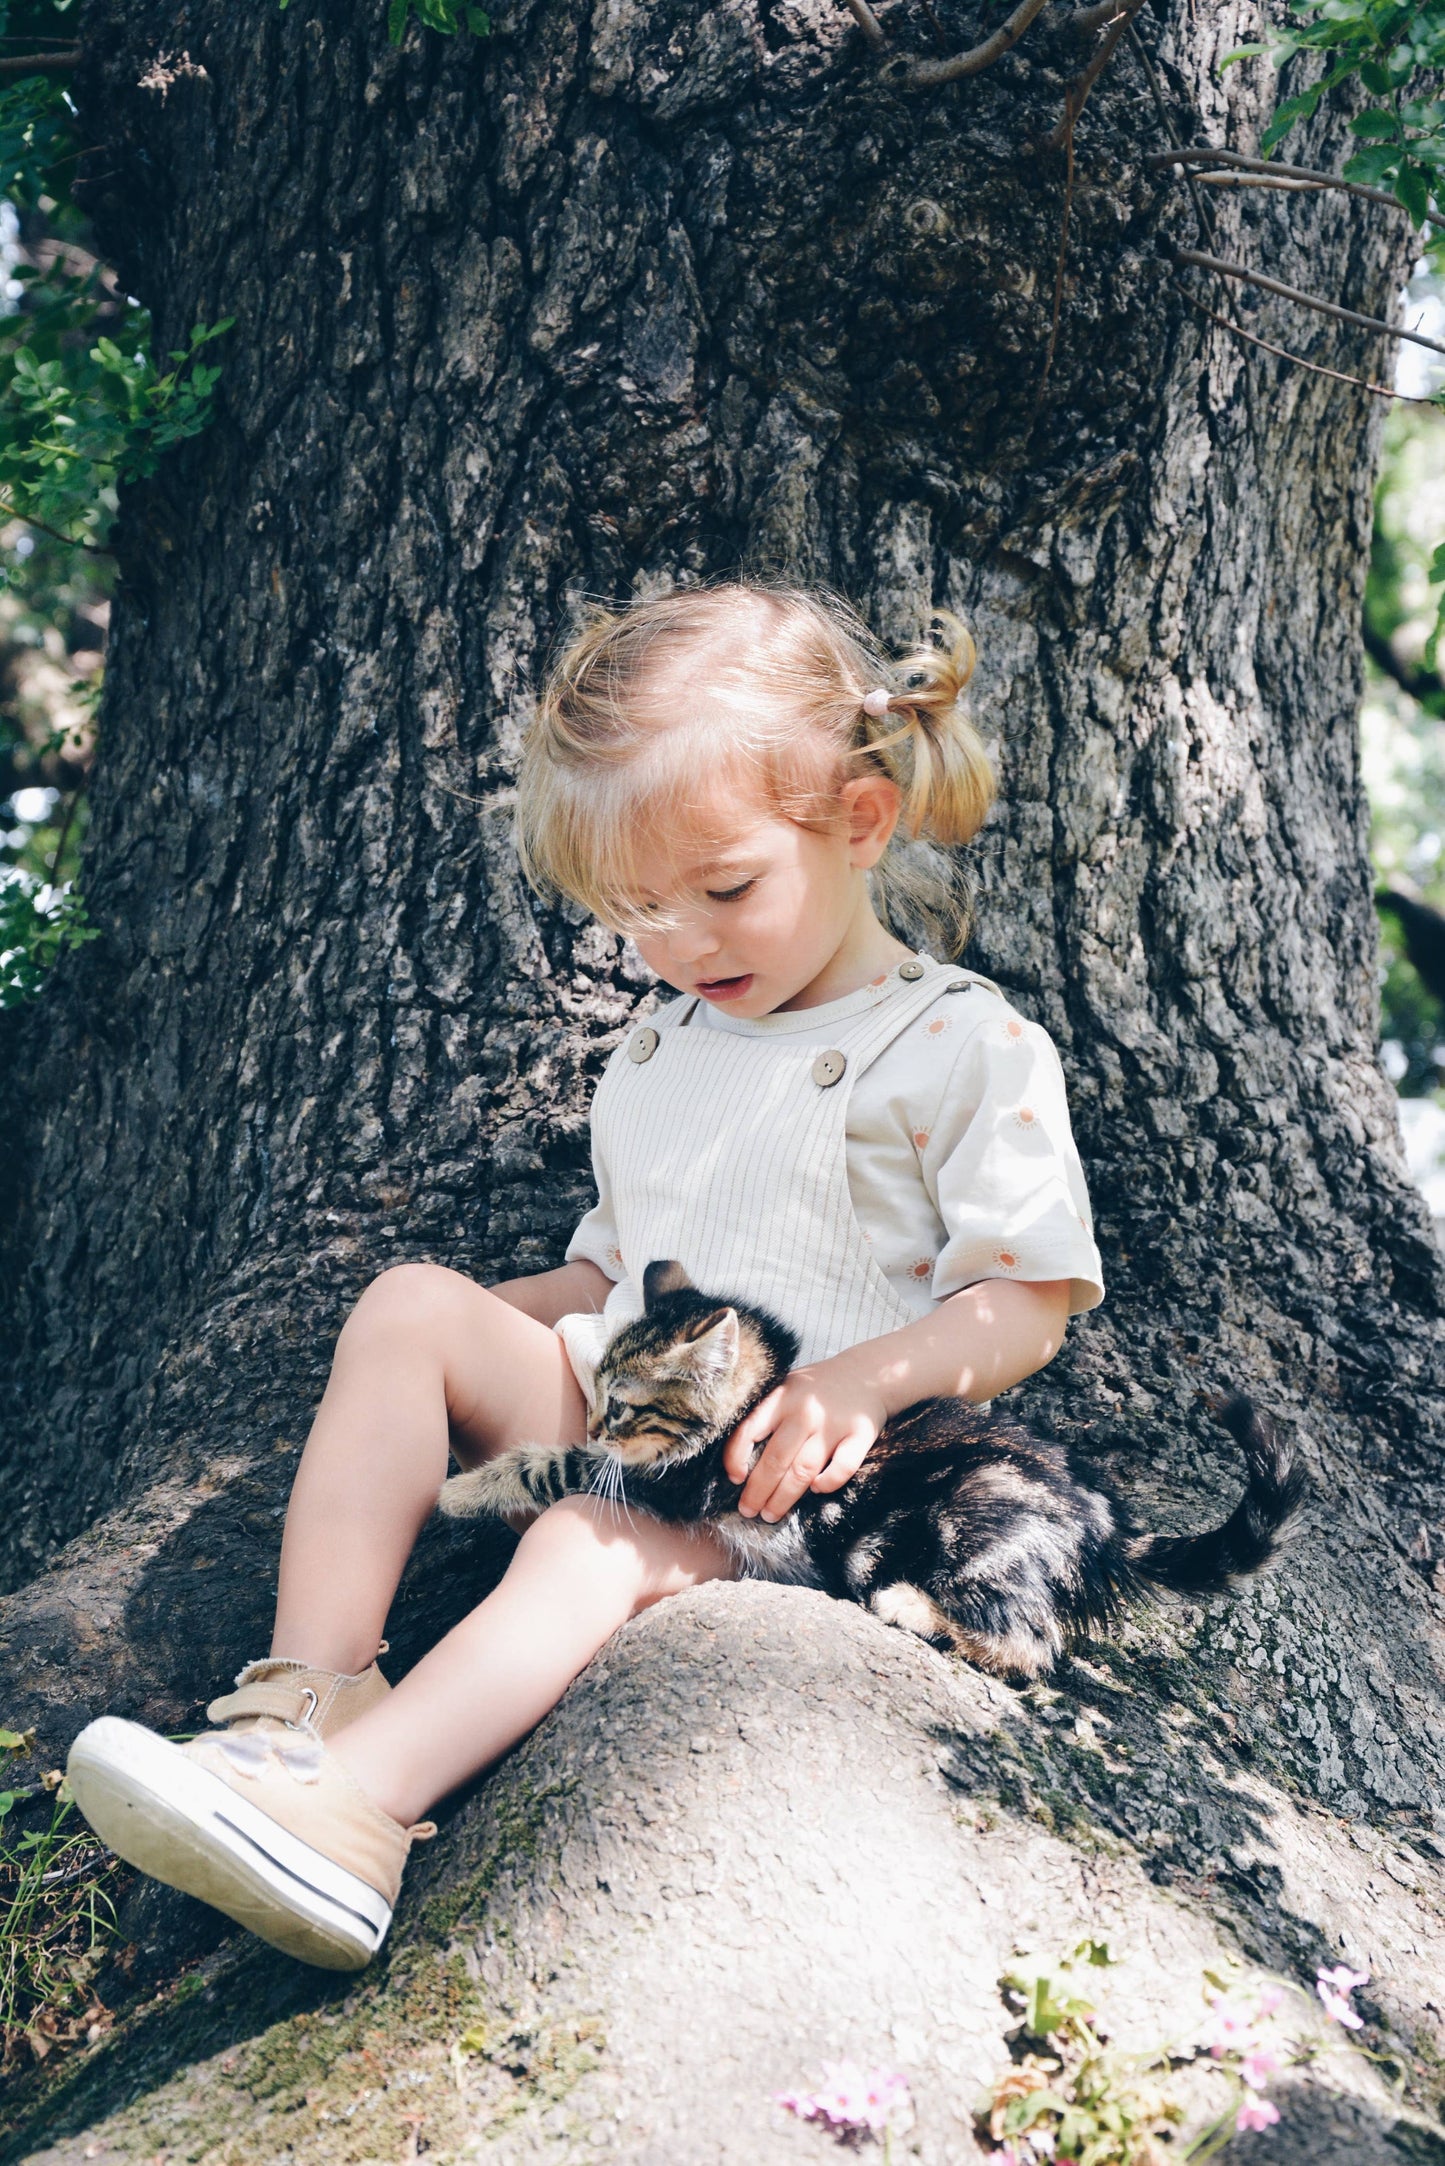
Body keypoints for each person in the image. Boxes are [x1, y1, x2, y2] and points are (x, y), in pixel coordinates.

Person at [67, 581, 1104, 1971]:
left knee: (584, 1540)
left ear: (858, 822)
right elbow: (604, 1277)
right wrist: (448, 1353)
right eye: (633, 914)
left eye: (723, 890)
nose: (675, 945)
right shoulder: (659, 1049)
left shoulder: (957, 1043)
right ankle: (301, 1705)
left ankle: (356, 1817)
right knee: (408, 1305)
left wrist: (867, 1379)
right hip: (640, 1414)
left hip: (798, 1494)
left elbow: (1026, 1296)